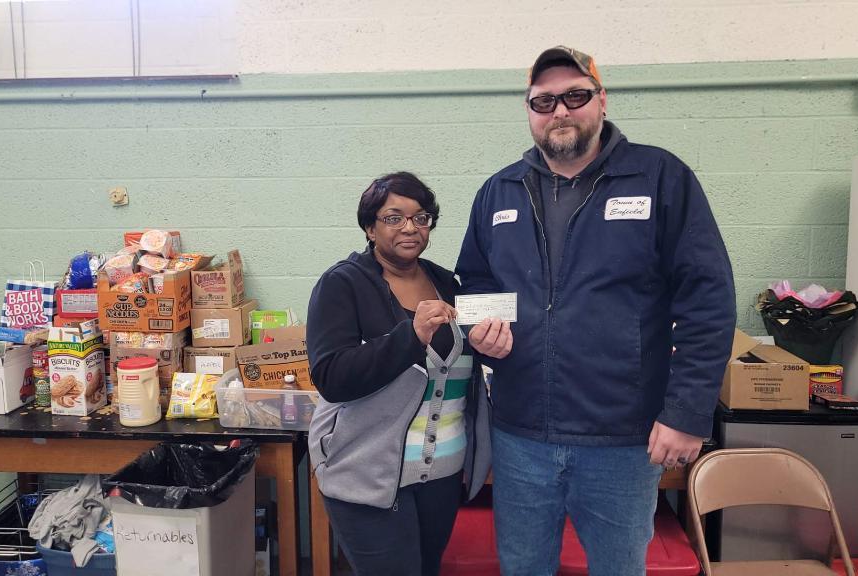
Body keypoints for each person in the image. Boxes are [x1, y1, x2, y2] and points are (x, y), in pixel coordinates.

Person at [456, 46, 736, 575]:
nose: (559, 111)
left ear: (602, 101)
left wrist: (686, 411)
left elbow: (709, 300)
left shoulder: (659, 179)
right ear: (529, 110)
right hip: (520, 436)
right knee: (523, 567)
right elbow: (474, 279)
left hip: (622, 440)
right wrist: (479, 328)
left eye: (575, 95)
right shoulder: (498, 193)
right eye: (544, 101)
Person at [307, 172, 491, 576]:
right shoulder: (343, 284)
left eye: (421, 217)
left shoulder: (447, 283)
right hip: (368, 475)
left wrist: (496, 343)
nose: (410, 227)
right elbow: (332, 376)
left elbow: (470, 360)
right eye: (394, 217)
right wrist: (410, 336)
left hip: (441, 476)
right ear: (370, 227)